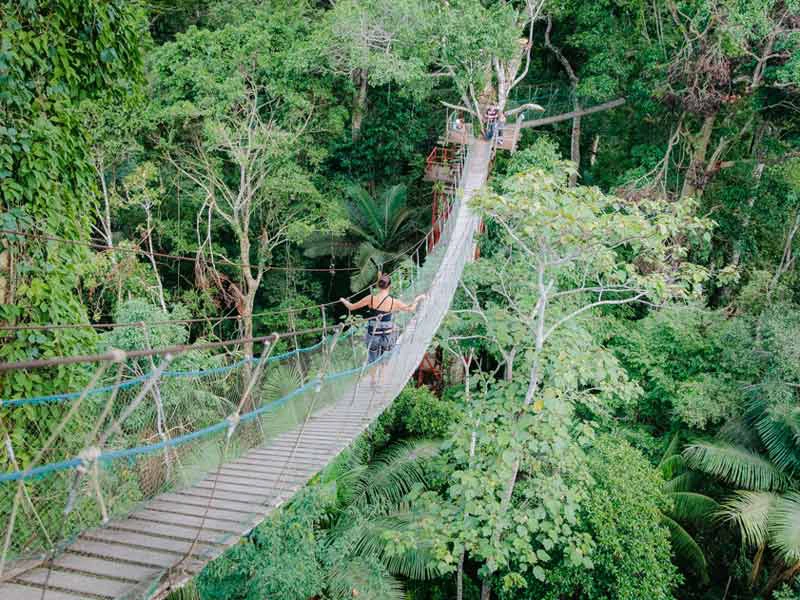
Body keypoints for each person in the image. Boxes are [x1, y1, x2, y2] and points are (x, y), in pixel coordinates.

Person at [340, 273, 425, 367]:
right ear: (390, 286)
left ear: (377, 285)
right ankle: (382, 378)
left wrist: (343, 300)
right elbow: (410, 309)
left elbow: (351, 307)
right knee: (384, 359)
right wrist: (418, 299)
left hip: (373, 335)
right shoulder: (394, 302)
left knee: (372, 359)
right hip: (387, 336)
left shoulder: (370, 299)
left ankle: (373, 380)